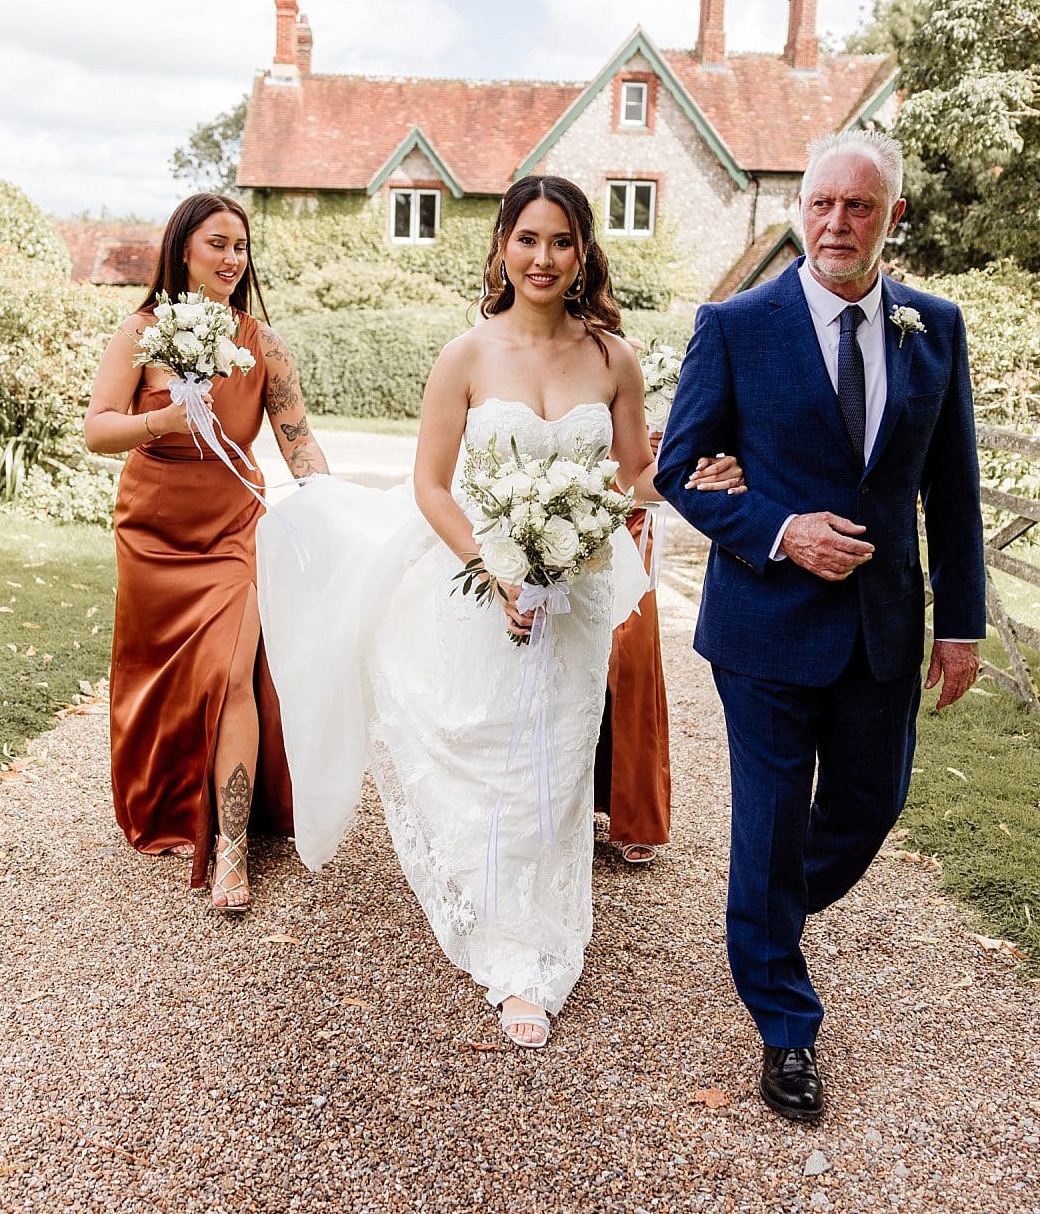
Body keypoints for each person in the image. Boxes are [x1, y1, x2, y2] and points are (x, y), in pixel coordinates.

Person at [257, 176, 743, 1048]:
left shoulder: (613, 359)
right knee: (481, 748)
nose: (545, 258)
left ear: (585, 250)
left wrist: (684, 478)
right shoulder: (466, 357)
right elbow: (431, 485)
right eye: (528, 240)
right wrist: (493, 571)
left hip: (581, 592)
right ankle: (489, 904)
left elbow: (632, 475)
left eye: (562, 241)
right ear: (502, 248)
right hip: (486, 583)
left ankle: (532, 953)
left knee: (556, 766)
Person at [654, 130, 985, 1121]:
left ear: (889, 217)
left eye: (859, 206)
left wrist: (958, 623)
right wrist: (778, 529)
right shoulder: (734, 325)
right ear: (799, 211)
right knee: (765, 822)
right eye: (821, 205)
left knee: (867, 807)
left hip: (882, 627)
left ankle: (760, 912)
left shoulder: (934, 326)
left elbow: (951, 488)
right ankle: (784, 1025)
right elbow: (679, 469)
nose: (836, 223)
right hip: (763, 628)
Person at [84, 192, 330, 913]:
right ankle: (164, 800)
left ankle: (230, 852)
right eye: (217, 243)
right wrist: (163, 415)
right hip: (153, 532)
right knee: (160, 679)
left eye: (241, 247)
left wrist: (326, 502)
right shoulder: (141, 330)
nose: (231, 258)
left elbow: (297, 438)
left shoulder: (263, 344)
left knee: (229, 675)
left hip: (232, 530)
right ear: (183, 249)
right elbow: (98, 429)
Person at [593, 433, 671, 866]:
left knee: (630, 659)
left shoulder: (655, 367)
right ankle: (569, 799)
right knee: (563, 659)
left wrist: (670, 446)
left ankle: (636, 814)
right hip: (562, 498)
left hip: (631, 514)